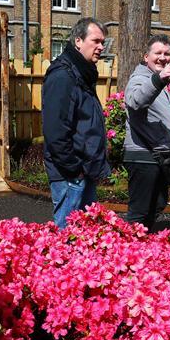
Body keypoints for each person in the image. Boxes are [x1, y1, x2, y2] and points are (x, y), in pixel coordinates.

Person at [41, 17, 111, 229]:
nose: (101, 47)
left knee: (85, 236)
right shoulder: (63, 76)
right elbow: (55, 132)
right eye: (96, 41)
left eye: (103, 42)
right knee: (67, 239)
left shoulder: (82, 74)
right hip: (70, 175)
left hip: (83, 172)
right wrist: (74, 170)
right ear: (78, 41)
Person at [123, 34, 170, 231]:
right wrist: (159, 78)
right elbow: (135, 100)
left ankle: (145, 249)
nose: (163, 57)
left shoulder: (155, 79)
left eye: (167, 53)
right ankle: (128, 254)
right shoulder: (140, 78)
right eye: (158, 53)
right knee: (139, 214)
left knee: (155, 206)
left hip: (156, 157)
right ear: (146, 56)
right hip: (143, 156)